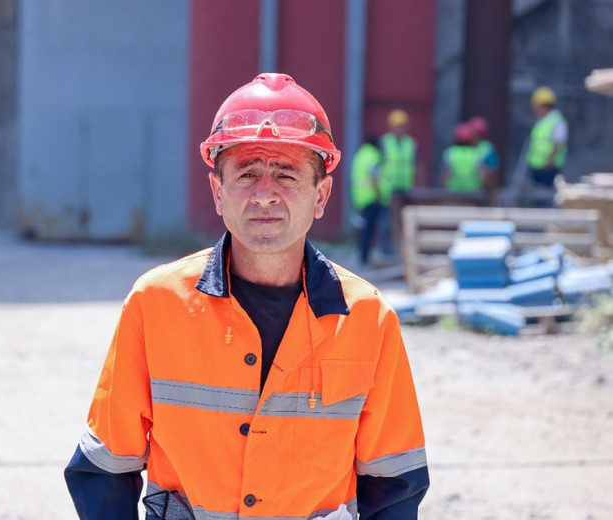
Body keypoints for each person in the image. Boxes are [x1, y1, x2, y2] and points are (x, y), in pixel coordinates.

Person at [64, 73, 429, 520]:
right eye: (247, 173)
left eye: (286, 174)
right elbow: (104, 469)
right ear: (218, 192)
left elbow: (394, 484)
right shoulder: (155, 303)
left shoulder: (367, 317)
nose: (264, 195)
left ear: (321, 195)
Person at [378, 109, 421, 257]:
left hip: (405, 187)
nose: (400, 129)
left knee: (404, 220)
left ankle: (402, 248)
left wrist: (417, 183)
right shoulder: (384, 142)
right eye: (397, 126)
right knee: (387, 220)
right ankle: (386, 249)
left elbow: (416, 165)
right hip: (388, 188)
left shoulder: (411, 144)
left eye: (402, 126)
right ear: (391, 127)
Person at [527, 86, 568, 188]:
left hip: (548, 167)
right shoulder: (542, 120)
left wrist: (549, 162)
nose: (535, 109)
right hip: (536, 165)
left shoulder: (557, 121)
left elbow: (558, 143)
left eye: (537, 106)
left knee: (545, 194)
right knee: (536, 194)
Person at [350, 136, 382, 266]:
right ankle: (365, 257)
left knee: (362, 228)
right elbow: (374, 176)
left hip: (359, 197)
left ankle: (361, 255)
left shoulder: (360, 155)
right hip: (371, 197)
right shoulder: (374, 156)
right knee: (369, 229)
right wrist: (378, 194)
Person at [440, 122, 484, 192]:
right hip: (472, 191)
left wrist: (443, 191)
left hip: (453, 191)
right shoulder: (476, 153)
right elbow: (481, 176)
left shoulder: (450, 153)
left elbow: (445, 175)